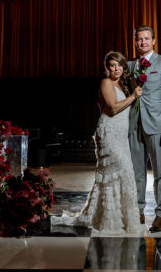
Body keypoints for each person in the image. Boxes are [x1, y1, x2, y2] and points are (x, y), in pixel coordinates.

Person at [51, 51, 143, 234]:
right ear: (107, 67)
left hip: (122, 135)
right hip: (108, 132)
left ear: (124, 67)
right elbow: (113, 108)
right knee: (114, 172)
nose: (116, 68)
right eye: (112, 65)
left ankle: (123, 218)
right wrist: (133, 96)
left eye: (119, 65)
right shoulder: (106, 82)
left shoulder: (124, 84)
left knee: (124, 173)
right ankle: (109, 219)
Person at [128, 25, 161, 233]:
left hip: (158, 125)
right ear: (136, 41)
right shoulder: (130, 66)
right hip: (134, 124)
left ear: (154, 41)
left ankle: (160, 215)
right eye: (139, 39)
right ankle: (139, 210)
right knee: (137, 172)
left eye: (147, 39)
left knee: (160, 173)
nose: (143, 43)